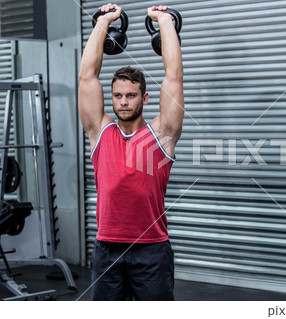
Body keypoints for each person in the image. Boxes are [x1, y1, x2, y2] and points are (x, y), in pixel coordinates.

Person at [78, 3, 184, 300]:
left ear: (144, 98)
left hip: (151, 250)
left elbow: (173, 77)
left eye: (131, 95)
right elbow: (87, 76)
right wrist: (102, 22)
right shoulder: (100, 132)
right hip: (106, 250)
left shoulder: (161, 136)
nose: (123, 102)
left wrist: (164, 21)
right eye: (118, 96)